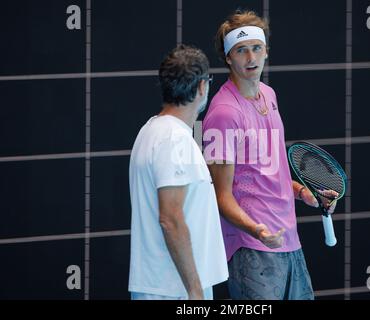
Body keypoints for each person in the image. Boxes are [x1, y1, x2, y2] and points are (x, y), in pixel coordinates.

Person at [202, 10, 338, 300]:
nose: (251, 58)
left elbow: (269, 169)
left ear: (266, 50)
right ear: (228, 57)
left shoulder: (269, 95)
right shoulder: (224, 113)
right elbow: (220, 195)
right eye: (241, 50)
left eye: (256, 48)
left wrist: (303, 192)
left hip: (288, 240)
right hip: (251, 246)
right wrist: (258, 231)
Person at [128, 45, 228, 300]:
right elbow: (170, 219)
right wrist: (195, 291)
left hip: (166, 287)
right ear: (202, 87)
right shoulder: (174, 139)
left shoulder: (153, 130)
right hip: (175, 291)